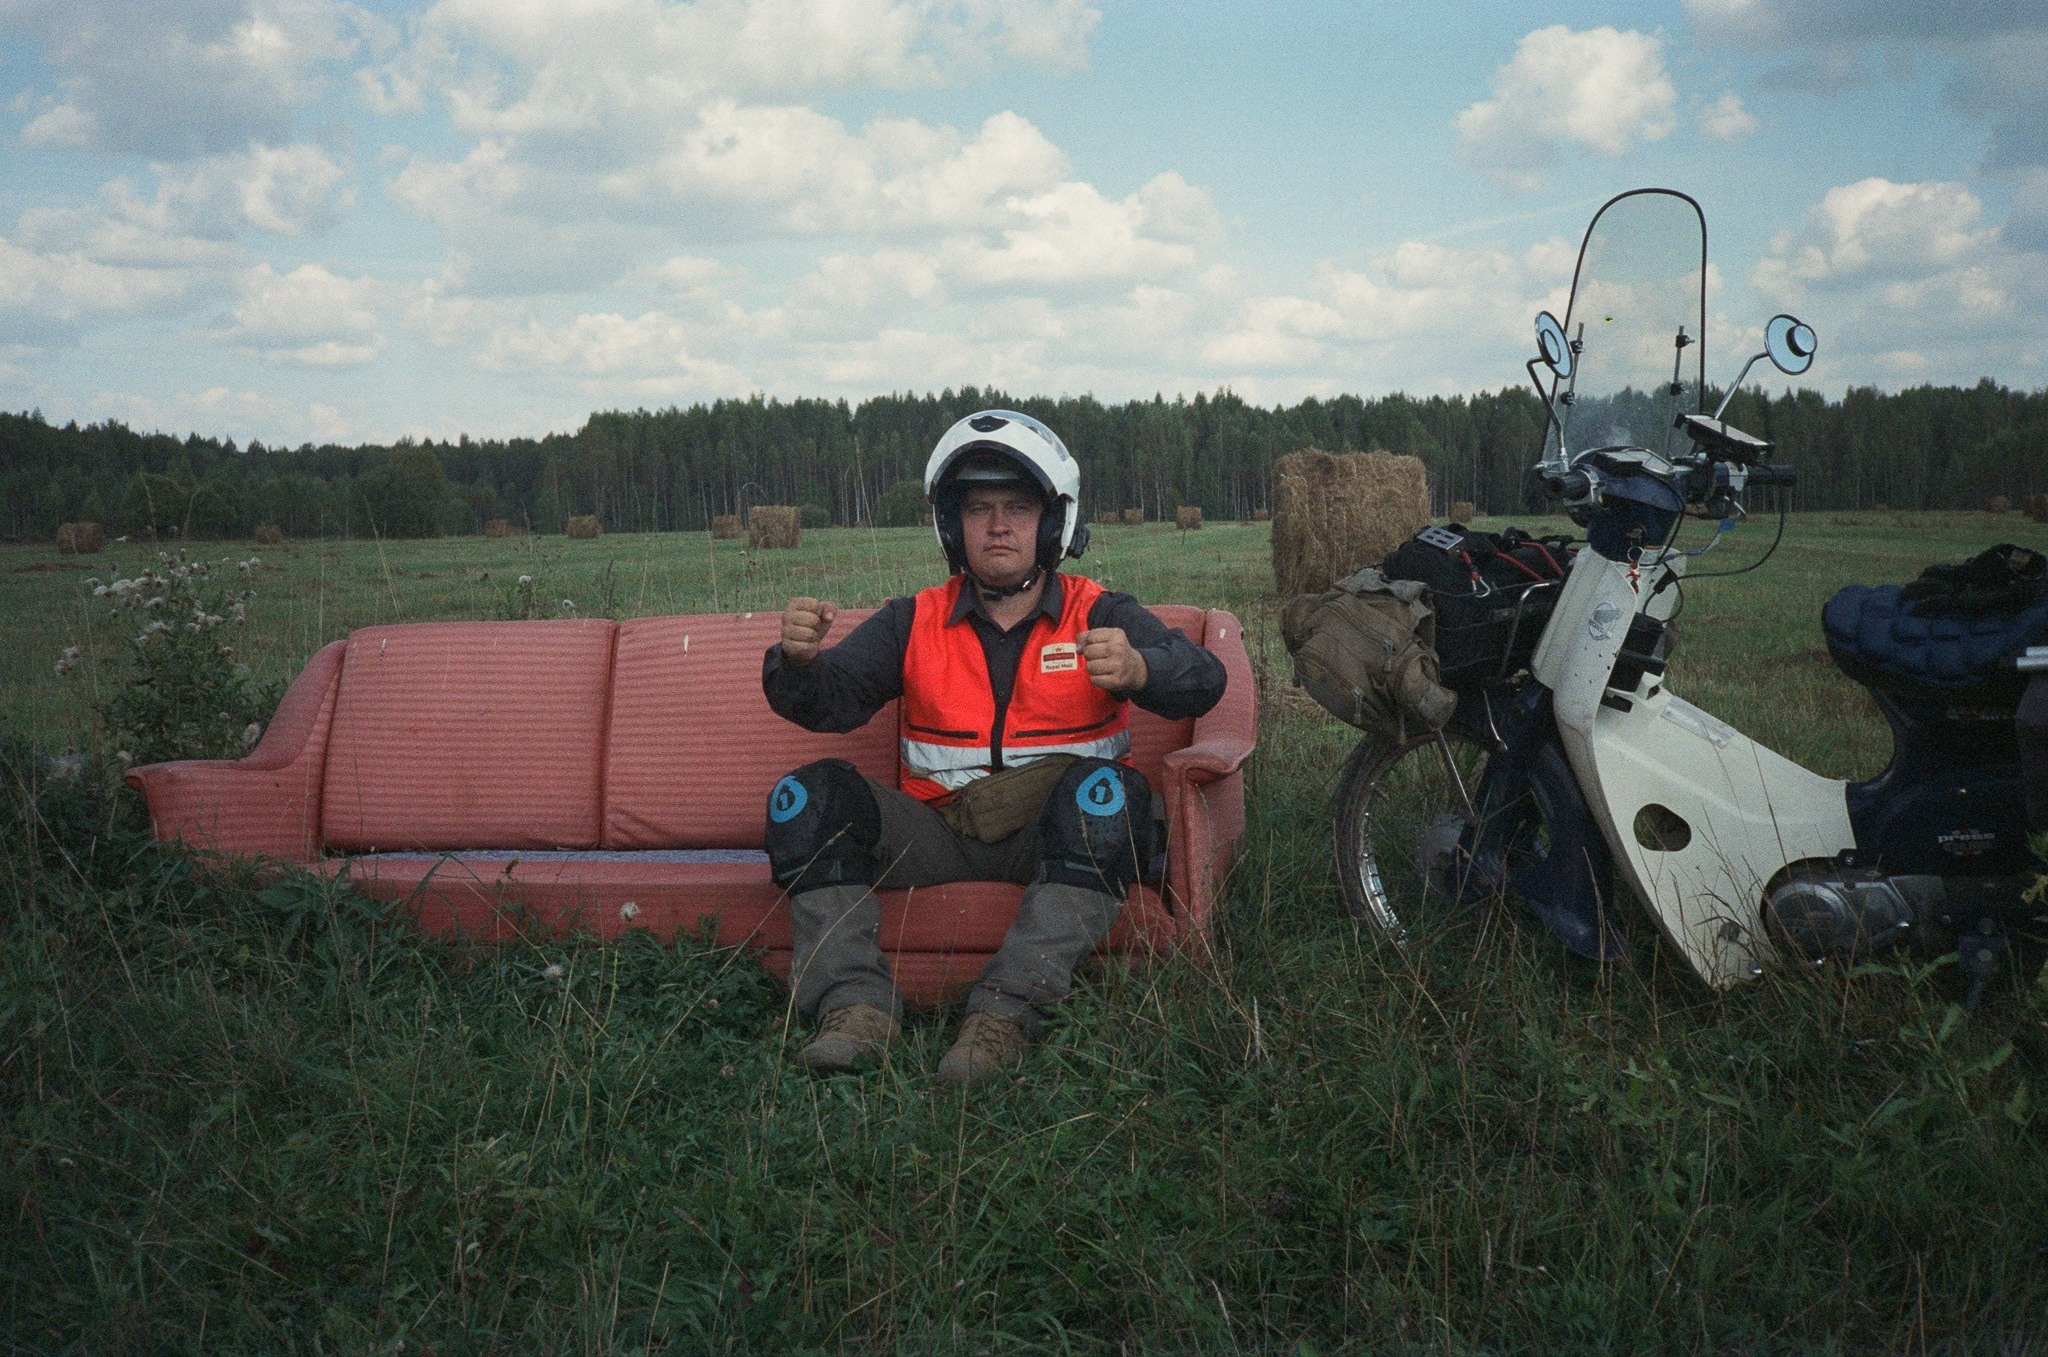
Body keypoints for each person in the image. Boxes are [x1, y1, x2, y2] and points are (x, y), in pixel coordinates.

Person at [761, 410, 1227, 1087]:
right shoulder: (913, 619)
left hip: (1054, 832)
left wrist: (1141, 669)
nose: (999, 525)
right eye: (979, 508)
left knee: (1110, 798)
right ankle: (856, 1009)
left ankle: (1005, 1016)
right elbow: (830, 700)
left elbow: (1204, 680)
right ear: (952, 527)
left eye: (1018, 506)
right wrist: (797, 663)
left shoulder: (1098, 611)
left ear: (1053, 523)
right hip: (938, 827)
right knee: (804, 800)